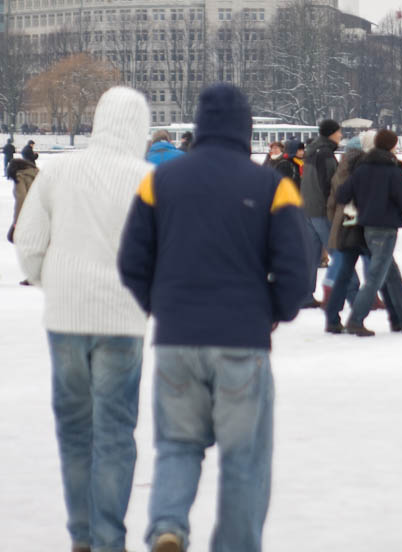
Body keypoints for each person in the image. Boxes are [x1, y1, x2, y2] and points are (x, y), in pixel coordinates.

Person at [118, 84, 310, 552]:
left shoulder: (158, 181)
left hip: (176, 339)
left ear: (199, 125)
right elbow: (297, 269)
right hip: (242, 339)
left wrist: (162, 306)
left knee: (178, 447)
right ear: (246, 128)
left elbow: (131, 261)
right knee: (245, 458)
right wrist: (273, 311)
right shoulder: (272, 185)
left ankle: (167, 525)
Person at [14, 87, 152, 552]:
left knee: (75, 431)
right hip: (123, 316)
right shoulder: (148, 179)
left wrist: (49, 280)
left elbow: (29, 242)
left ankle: (81, 536)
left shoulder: (61, 172)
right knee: (115, 432)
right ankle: (109, 538)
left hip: (66, 316)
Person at [337, 129, 402, 336]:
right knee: (375, 278)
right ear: (392, 146)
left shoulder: (362, 168)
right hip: (385, 230)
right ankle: (355, 320)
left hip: (367, 228)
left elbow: (342, 194)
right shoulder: (393, 170)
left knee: (392, 276)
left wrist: (363, 202)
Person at [300, 120, 342, 308]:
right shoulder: (325, 154)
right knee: (339, 254)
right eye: (339, 132)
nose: (341, 135)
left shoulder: (310, 151)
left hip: (307, 208)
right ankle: (351, 293)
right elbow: (330, 184)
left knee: (312, 255)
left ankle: (304, 295)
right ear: (331, 133)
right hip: (321, 210)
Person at [6, 155, 39, 244]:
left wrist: (17, 222)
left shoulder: (20, 177)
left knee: (11, 237)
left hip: (31, 214)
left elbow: (21, 200)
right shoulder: (37, 173)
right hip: (44, 212)